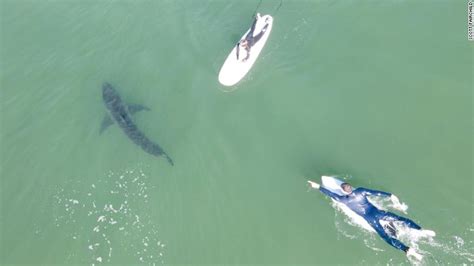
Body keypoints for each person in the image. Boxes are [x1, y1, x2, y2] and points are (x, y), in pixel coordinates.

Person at [308, 178, 435, 260]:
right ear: (351, 187)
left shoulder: (343, 200)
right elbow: (376, 193)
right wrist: (390, 195)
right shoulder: (360, 191)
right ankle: (421, 230)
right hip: (379, 213)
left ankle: (407, 250)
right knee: (400, 219)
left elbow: (330, 194)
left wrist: (317, 186)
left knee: (386, 237)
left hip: (370, 220)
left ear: (343, 191)